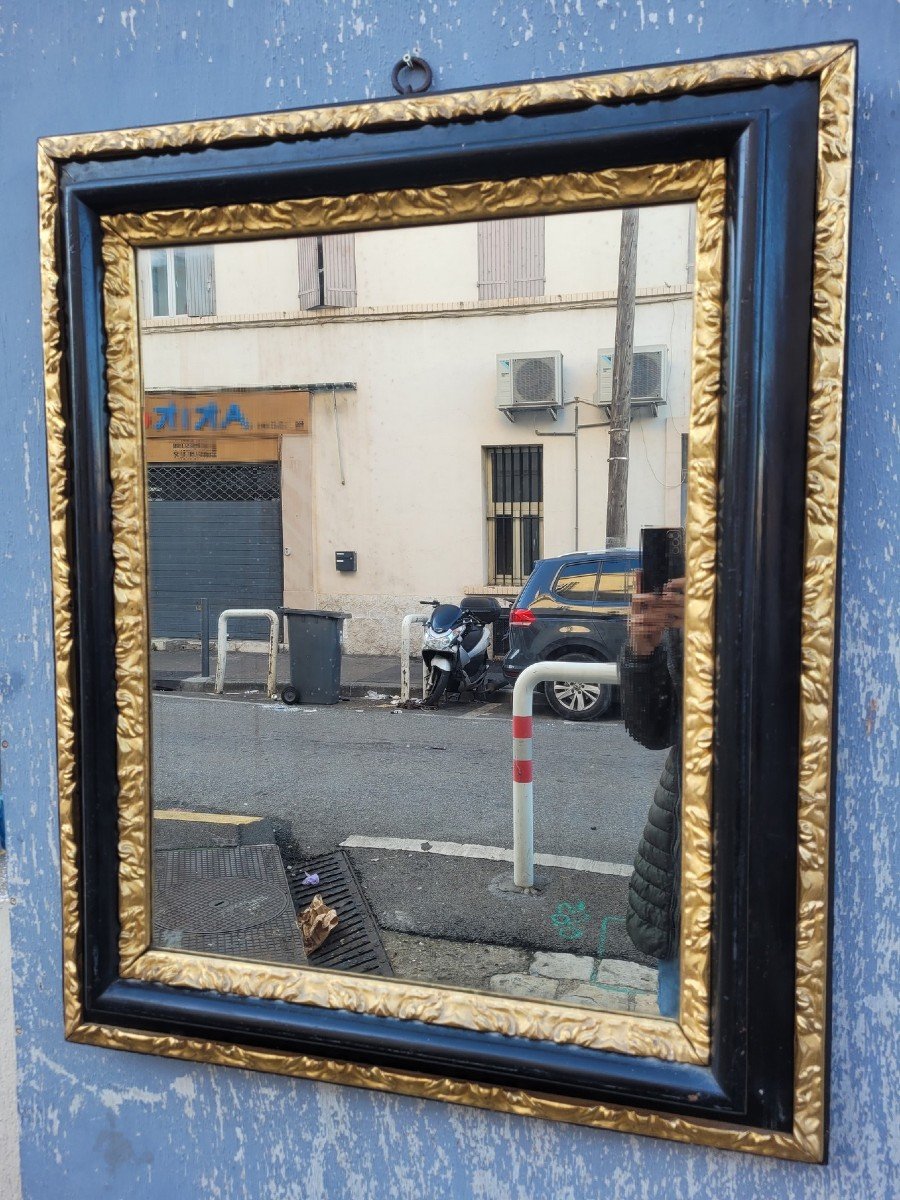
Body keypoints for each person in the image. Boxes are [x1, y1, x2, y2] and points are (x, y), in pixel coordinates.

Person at [618, 571, 685, 1018]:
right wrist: (643, 651)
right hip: (679, 846)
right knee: (677, 1014)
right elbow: (654, 730)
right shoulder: (684, 615)